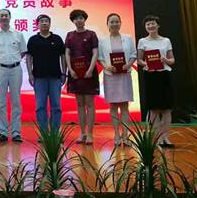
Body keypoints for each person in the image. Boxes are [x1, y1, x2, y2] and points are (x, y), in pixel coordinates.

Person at [0, 9, 27, 143]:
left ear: (10, 17)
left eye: (6, 15)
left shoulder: (18, 34)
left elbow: (23, 52)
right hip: (0, 69)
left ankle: (16, 132)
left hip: (15, 69)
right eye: (1, 15)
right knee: (1, 102)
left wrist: (14, 60)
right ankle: (2, 132)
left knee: (16, 101)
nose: (4, 17)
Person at [136, 15, 176, 147]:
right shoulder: (142, 41)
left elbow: (172, 60)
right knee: (153, 109)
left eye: (153, 23)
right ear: (145, 27)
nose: (150, 26)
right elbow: (139, 60)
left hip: (164, 75)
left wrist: (166, 60)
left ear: (158, 25)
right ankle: (157, 138)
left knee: (166, 109)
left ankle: (166, 137)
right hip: (150, 76)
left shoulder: (166, 40)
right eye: (148, 24)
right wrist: (146, 64)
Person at [98, 13, 137, 146]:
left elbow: (133, 54)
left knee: (125, 106)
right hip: (110, 76)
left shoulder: (128, 38)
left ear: (120, 23)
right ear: (107, 24)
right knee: (113, 106)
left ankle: (125, 135)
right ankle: (116, 134)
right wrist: (106, 66)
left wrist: (129, 64)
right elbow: (100, 58)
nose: (114, 24)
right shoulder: (102, 40)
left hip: (124, 75)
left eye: (117, 21)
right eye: (112, 22)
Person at [26, 14, 66, 133]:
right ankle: (43, 132)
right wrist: (30, 74)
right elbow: (29, 58)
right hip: (39, 78)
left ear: (50, 23)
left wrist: (64, 73)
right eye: (41, 21)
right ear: (37, 24)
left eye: (46, 21)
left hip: (55, 77)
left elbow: (63, 56)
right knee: (40, 106)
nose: (44, 23)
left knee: (56, 106)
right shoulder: (33, 40)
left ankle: (54, 133)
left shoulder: (57, 39)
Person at [64, 9, 99, 145]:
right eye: (76, 18)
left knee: (89, 103)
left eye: (81, 18)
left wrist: (90, 69)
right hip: (75, 73)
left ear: (84, 20)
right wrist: (70, 69)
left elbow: (95, 53)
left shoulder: (91, 34)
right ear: (73, 21)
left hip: (89, 73)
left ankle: (90, 134)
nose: (78, 20)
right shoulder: (70, 35)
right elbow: (67, 54)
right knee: (79, 104)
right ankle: (82, 133)